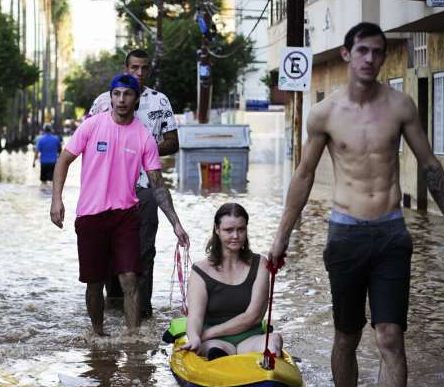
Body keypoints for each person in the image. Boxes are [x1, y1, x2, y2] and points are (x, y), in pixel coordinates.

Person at [267, 22, 444, 387]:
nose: (370, 59)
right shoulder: (324, 114)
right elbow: (304, 176)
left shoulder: (400, 106)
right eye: (362, 50)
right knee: (347, 336)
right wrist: (281, 236)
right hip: (345, 235)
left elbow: (430, 166)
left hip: (391, 233)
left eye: (377, 52)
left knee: (390, 336)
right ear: (346, 54)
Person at [50, 73, 189, 335]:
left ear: (136, 99)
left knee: (129, 278)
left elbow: (157, 185)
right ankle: (98, 335)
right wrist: (56, 199)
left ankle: (133, 339)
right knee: (94, 283)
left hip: (125, 216)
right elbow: (64, 160)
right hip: (90, 215)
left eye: (127, 94)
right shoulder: (92, 126)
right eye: (117, 94)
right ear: (111, 97)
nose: (121, 99)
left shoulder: (144, 137)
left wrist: (176, 223)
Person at [86, 48, 181, 320]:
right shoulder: (103, 102)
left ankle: (142, 310)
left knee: (144, 249)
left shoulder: (159, 101)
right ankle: (114, 304)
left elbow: (173, 142)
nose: (139, 73)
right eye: (134, 68)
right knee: (107, 251)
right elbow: (86, 140)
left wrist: (143, 149)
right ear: (125, 68)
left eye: (144, 68)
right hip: (106, 190)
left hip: (145, 187)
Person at [178, 203, 283, 360]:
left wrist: (206, 334)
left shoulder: (261, 264)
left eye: (241, 229)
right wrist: (194, 337)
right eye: (229, 230)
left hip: (251, 338)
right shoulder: (200, 270)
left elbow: (253, 316)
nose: (236, 236)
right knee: (214, 351)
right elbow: (195, 317)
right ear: (217, 229)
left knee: (274, 341)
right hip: (216, 342)